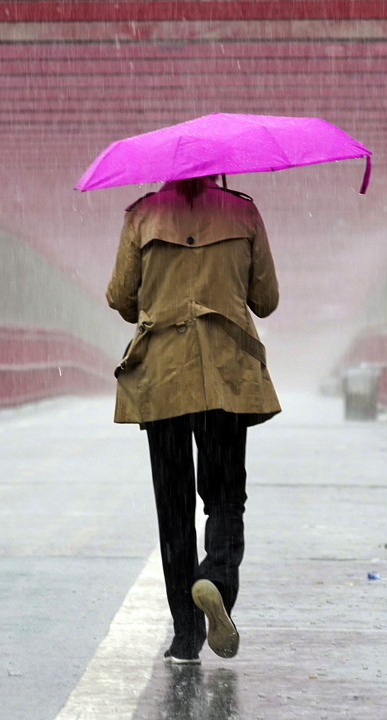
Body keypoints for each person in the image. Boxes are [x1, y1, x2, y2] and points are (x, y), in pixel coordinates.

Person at [106, 174, 280, 664]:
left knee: (173, 507)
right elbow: (265, 300)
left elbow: (121, 298)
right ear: (219, 168)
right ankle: (216, 580)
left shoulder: (142, 215)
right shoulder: (242, 213)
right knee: (225, 496)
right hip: (225, 376)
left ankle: (185, 636)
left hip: (161, 378)